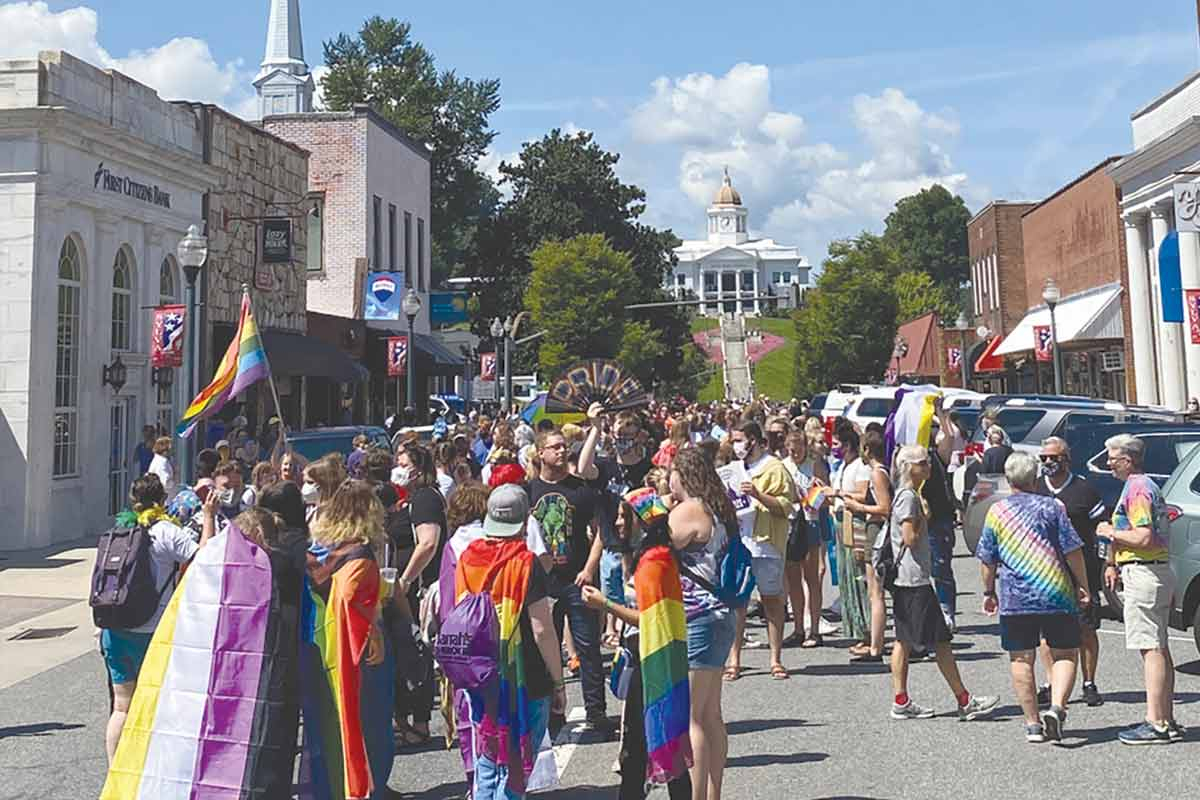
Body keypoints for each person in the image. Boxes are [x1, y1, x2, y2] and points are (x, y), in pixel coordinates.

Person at [456, 484, 565, 800]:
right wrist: (558, 683)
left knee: (487, 762)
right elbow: (542, 628)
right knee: (514, 770)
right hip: (524, 676)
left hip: (481, 674)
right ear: (524, 520)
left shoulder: (468, 557)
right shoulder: (527, 562)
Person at [583, 490, 693, 800]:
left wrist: (603, 603)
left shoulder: (654, 561)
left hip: (654, 658)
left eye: (624, 515)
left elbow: (650, 620)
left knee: (646, 742)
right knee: (650, 742)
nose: (618, 523)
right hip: (648, 653)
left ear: (642, 520)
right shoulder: (650, 553)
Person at [976, 452, 1089, 743]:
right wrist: (1083, 584)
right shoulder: (1052, 508)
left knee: (1021, 659)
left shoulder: (997, 511)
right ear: (1035, 478)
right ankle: (1057, 707)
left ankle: (1032, 724)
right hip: (1056, 594)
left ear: (1008, 478)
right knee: (1065, 653)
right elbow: (1072, 549)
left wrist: (988, 591)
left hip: (1016, 598)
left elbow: (987, 559)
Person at [102, 474, 210, 762]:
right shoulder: (166, 531)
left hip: (116, 626)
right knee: (162, 702)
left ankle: (116, 773)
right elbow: (203, 557)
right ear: (162, 501)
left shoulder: (119, 530)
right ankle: (155, 766)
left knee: (122, 707)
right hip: (154, 630)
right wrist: (209, 517)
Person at [888, 445, 998, 722]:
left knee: (904, 640)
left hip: (906, 577)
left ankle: (901, 699)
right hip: (913, 578)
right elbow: (909, 537)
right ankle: (964, 699)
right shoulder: (908, 498)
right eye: (923, 464)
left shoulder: (909, 495)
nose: (928, 468)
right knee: (940, 641)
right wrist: (923, 518)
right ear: (909, 467)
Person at [303, 479, 390, 800]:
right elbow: (351, 595)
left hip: (322, 644)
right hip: (355, 648)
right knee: (366, 726)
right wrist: (375, 630)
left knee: (329, 727)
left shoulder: (323, 550)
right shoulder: (360, 553)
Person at [527, 405, 609, 733]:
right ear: (539, 453)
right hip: (541, 582)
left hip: (576, 576)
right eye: (555, 447)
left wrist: (590, 567)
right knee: (543, 649)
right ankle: (550, 713)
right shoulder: (528, 490)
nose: (562, 451)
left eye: (564, 446)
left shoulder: (579, 488)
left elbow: (602, 530)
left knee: (588, 647)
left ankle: (596, 711)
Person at [1097, 434, 1183, 744]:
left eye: (1112, 457)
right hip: (1156, 571)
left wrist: (1111, 531)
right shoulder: (1145, 486)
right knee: (1159, 646)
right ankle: (1167, 717)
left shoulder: (1137, 489)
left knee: (1151, 647)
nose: (1108, 463)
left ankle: (1155, 721)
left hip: (1144, 572)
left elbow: (1144, 537)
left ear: (1128, 460)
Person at [668, 447, 737, 800]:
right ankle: (713, 793)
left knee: (690, 717)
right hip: (722, 613)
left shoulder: (688, 510)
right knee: (712, 715)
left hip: (696, 616)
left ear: (683, 475)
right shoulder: (718, 508)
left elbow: (657, 547)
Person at [1034, 436, 1107, 708]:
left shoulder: (1084, 490)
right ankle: (1052, 682)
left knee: (1085, 629)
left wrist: (1106, 564)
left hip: (1080, 569)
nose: (1049, 463)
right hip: (1043, 571)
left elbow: (1101, 528)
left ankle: (1089, 682)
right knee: (1046, 632)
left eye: (1054, 457)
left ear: (1067, 458)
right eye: (1044, 459)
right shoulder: (1037, 488)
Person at [725, 421, 794, 680]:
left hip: (766, 543)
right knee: (737, 602)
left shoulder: (774, 467)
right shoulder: (733, 469)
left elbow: (786, 505)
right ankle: (734, 660)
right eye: (733, 440)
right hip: (739, 542)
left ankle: (776, 659)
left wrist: (757, 494)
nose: (736, 445)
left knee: (771, 600)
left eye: (740, 439)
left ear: (753, 439)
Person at [390, 441, 448, 746]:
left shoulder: (425, 498)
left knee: (419, 653)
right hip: (420, 587)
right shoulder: (416, 498)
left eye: (403, 462)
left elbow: (428, 543)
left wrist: (406, 580)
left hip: (424, 588)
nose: (399, 467)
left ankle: (421, 723)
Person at [842, 430, 890, 662]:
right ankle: (874, 643)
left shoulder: (877, 474)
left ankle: (876, 647)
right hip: (873, 529)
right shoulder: (876, 472)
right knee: (874, 591)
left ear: (868, 449)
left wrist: (859, 508)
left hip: (876, 530)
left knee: (876, 593)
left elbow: (885, 508)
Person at [781, 431, 828, 648]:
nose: (795, 453)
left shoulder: (814, 464)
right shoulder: (782, 465)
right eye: (791, 449)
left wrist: (814, 495)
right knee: (793, 578)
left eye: (798, 449)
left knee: (812, 577)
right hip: (790, 524)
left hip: (810, 522)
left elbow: (825, 496)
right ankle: (798, 628)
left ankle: (815, 630)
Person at [924, 445, 959, 631]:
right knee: (920, 572)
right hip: (918, 519)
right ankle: (929, 614)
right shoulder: (906, 452)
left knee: (941, 567)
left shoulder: (938, 454)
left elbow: (949, 437)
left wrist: (941, 416)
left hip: (939, 518)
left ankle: (946, 611)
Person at [146, 436, 178, 501]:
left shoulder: (158, 460)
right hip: (165, 499)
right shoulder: (162, 462)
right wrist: (175, 476)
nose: (173, 451)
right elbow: (165, 482)